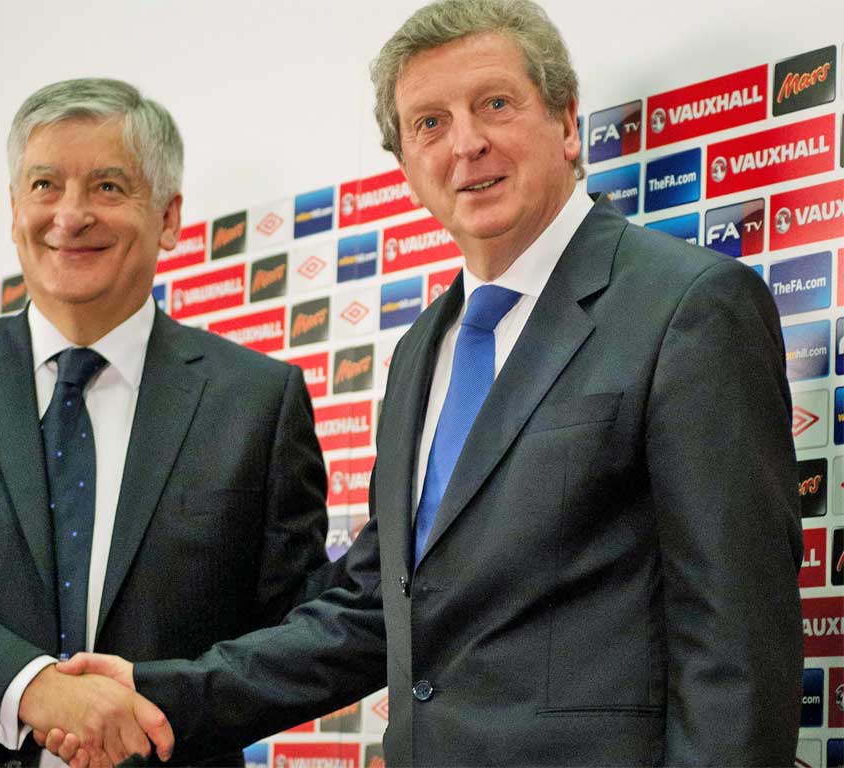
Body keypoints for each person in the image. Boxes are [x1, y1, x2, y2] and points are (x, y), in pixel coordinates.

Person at [46, 1, 805, 764]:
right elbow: (374, 609)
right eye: (430, 124)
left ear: (568, 122)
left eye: (496, 104)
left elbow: (735, 642)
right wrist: (162, 691)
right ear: (407, 166)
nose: (466, 143)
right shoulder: (419, 352)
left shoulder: (687, 307)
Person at [0, 78, 330, 768]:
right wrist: (34, 689)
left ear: (169, 215)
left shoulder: (257, 401)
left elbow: (293, 634)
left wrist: (163, 700)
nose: (70, 214)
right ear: (14, 211)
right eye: (43, 186)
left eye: (108, 187)